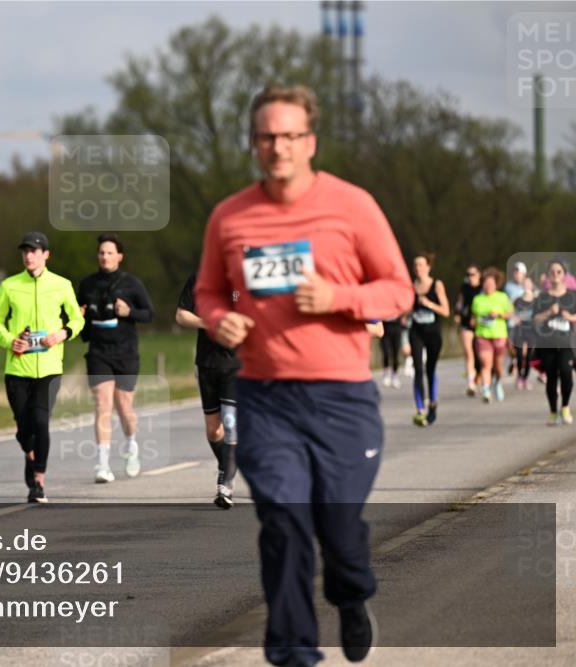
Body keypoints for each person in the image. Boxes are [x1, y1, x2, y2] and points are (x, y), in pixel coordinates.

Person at [195, 84, 413, 667]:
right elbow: (208, 290)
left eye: (290, 135)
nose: (278, 147)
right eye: (267, 136)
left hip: (342, 399)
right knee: (284, 523)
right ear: (253, 142)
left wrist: (339, 297)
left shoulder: (352, 206)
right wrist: (219, 320)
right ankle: (294, 655)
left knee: (339, 531)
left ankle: (351, 594)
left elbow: (398, 290)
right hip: (267, 399)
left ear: (310, 141)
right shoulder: (230, 216)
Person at [0, 231, 84, 502]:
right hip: (17, 369)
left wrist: (62, 333)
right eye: (25, 251)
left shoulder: (61, 285)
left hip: (49, 369)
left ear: (46, 255)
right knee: (24, 428)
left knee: (41, 422)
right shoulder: (10, 285)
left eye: (34, 251)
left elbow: (77, 319)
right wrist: (11, 341)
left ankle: (38, 480)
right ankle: (31, 454)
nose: (29, 256)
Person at [77, 233, 154, 483]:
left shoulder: (132, 284)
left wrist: (129, 311)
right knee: (102, 404)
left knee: (124, 407)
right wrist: (79, 317)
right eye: (101, 252)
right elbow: (76, 321)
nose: (105, 257)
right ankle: (102, 465)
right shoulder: (87, 285)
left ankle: (131, 444)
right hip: (98, 353)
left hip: (126, 353)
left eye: (110, 253)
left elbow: (149, 314)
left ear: (120, 256)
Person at [175, 270, 240, 508]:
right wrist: (205, 323)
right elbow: (181, 315)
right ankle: (226, 464)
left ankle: (226, 485)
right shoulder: (200, 277)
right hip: (207, 363)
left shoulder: (248, 276)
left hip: (238, 363)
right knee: (214, 431)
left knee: (230, 422)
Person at [408, 253, 450, 426]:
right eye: (415, 265)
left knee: (430, 369)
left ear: (428, 267)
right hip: (416, 332)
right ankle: (420, 409)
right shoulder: (410, 286)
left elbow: (446, 311)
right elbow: (406, 310)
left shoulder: (437, 285)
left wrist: (429, 304)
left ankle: (432, 402)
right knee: (418, 369)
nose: (418, 268)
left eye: (421, 264)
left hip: (433, 333)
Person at [532, 260, 575, 425]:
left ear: (564, 275)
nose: (555, 274)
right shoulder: (542, 297)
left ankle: (565, 407)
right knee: (551, 378)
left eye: (559, 271)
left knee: (566, 373)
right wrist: (549, 312)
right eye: (552, 272)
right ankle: (553, 412)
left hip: (566, 343)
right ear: (548, 275)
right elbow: (535, 319)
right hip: (547, 344)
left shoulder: (572, 295)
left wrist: (570, 317)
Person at [470, 267, 514, 404]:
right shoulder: (477, 299)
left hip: (499, 335)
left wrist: (499, 314)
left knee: (498, 367)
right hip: (482, 335)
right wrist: (475, 321)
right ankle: (486, 391)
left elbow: (510, 314)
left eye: (491, 283)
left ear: (496, 284)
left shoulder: (502, 297)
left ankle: (497, 382)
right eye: (486, 283)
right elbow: (473, 318)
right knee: (485, 364)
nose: (488, 286)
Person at [455, 264, 483, 396]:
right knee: (468, 352)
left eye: (473, 274)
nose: (470, 277)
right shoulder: (464, 287)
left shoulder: (483, 288)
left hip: (481, 324)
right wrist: (457, 313)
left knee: (480, 355)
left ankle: (478, 375)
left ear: (479, 275)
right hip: (466, 322)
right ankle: (470, 383)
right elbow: (460, 302)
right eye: (468, 275)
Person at [511, 277, 538, 391]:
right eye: (524, 283)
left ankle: (525, 378)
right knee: (519, 354)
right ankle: (519, 376)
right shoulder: (517, 300)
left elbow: (541, 314)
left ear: (532, 285)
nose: (526, 285)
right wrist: (514, 318)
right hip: (520, 330)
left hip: (532, 330)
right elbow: (511, 312)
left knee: (529, 356)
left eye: (528, 283)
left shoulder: (536, 301)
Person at [504, 262, 527, 377]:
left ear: (524, 274)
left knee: (523, 347)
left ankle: (520, 366)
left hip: (524, 321)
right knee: (511, 345)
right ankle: (514, 360)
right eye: (515, 272)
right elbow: (505, 303)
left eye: (519, 272)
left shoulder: (527, 285)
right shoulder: (508, 287)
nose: (517, 275)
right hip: (511, 320)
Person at [378, 317, 404, 388]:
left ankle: (395, 375)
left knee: (395, 355)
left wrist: (404, 317)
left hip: (396, 329)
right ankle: (386, 373)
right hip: (385, 330)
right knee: (386, 353)